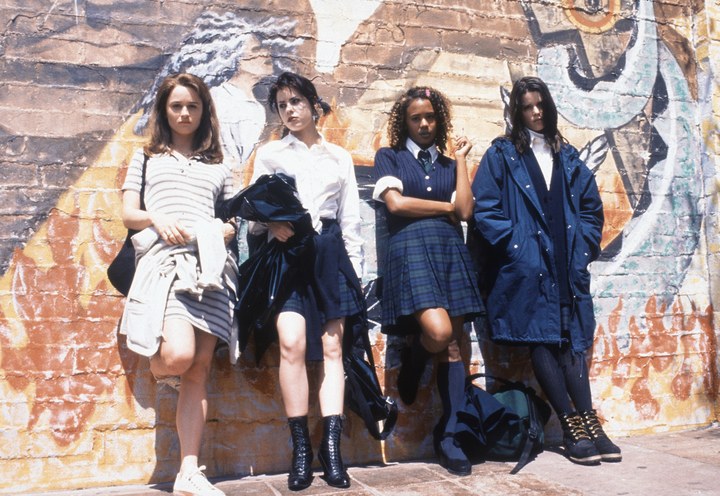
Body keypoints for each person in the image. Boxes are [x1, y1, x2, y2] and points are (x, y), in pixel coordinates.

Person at [471, 76, 621, 465]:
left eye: (540, 105)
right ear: (517, 112)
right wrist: (518, 248)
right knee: (540, 339)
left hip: (566, 264)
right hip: (529, 266)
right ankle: (571, 427)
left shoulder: (566, 156)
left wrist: (583, 249)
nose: (535, 113)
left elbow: (591, 208)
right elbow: (485, 208)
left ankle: (590, 423)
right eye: (527, 107)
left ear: (549, 106)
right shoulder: (502, 155)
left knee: (570, 340)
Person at [120, 73, 238, 496]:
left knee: (199, 369)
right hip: (166, 265)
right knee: (178, 356)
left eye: (193, 106)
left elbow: (233, 217)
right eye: (176, 106)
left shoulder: (220, 164)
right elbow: (128, 213)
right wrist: (157, 217)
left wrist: (225, 230)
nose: (185, 113)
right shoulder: (146, 157)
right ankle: (159, 370)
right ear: (164, 110)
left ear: (204, 110)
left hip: (210, 269)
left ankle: (188, 472)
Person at [248, 71, 364, 491]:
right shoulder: (270, 154)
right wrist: (271, 223)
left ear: (314, 105)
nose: (290, 110)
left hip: (330, 255)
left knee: (333, 348)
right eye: (282, 105)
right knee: (292, 344)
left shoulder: (339, 157)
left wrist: (356, 274)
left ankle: (331, 451)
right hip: (288, 256)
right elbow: (252, 214)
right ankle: (300, 451)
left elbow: (351, 220)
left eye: (296, 101)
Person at [372, 87, 484, 476]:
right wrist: (445, 207)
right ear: (405, 122)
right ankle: (416, 358)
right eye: (416, 118)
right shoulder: (390, 157)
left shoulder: (449, 164)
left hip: (449, 251)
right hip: (410, 252)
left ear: (440, 120)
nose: (424, 124)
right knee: (438, 332)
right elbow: (396, 204)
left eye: (430, 117)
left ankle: (449, 438)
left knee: (454, 345)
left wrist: (462, 160)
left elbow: (465, 211)